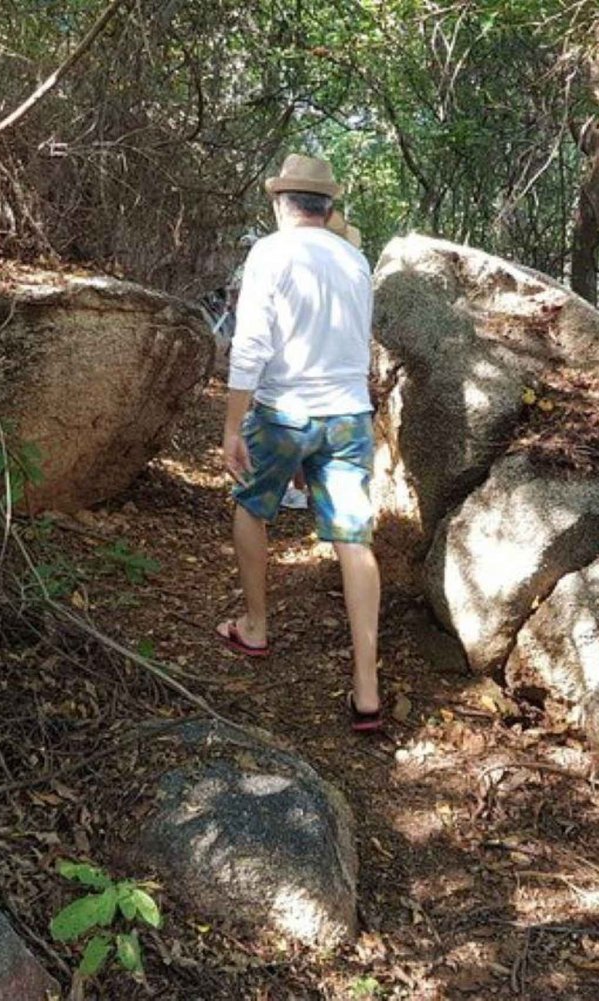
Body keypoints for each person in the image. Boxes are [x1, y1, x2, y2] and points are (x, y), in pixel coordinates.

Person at [217, 153, 383, 732]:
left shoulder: (271, 252)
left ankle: (257, 628)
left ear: (280, 203)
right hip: (349, 417)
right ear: (329, 206)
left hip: (284, 410)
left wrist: (232, 425)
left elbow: (251, 344)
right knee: (354, 542)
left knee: (251, 507)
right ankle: (367, 688)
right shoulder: (357, 260)